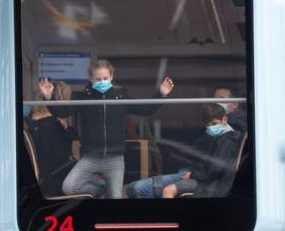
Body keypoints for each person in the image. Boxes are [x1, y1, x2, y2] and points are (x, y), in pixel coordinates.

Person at [40, 59, 174, 199]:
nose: (102, 81)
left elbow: (146, 109)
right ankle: (100, 188)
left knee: (115, 198)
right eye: (98, 79)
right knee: (68, 187)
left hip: (114, 159)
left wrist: (161, 93)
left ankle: (106, 194)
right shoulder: (84, 98)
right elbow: (62, 112)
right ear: (91, 79)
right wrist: (49, 97)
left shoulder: (121, 97)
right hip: (91, 157)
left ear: (111, 77)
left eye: (105, 78)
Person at [125, 103, 241, 199]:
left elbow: (214, 169)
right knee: (131, 187)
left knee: (139, 189)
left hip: (197, 177)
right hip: (190, 172)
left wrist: (193, 174)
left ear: (225, 119)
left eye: (214, 124)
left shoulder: (228, 139)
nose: (211, 128)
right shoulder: (213, 138)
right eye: (208, 125)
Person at [24, 81, 102, 197]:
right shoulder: (52, 127)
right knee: (102, 185)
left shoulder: (32, 124)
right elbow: (59, 163)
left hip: (45, 183)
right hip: (55, 185)